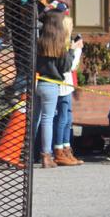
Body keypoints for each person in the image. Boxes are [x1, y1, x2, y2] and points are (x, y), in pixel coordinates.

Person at [35, 11, 76, 168]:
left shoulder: (39, 42)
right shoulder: (59, 44)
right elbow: (66, 67)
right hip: (51, 84)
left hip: (38, 82)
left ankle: (29, 152)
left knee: (36, 119)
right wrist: (72, 51)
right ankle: (46, 156)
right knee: (48, 119)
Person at [52, 15, 82, 166]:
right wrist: (76, 51)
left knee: (67, 118)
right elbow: (69, 66)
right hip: (62, 85)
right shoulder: (60, 45)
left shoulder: (66, 43)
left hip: (67, 85)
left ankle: (66, 147)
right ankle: (59, 150)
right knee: (62, 118)